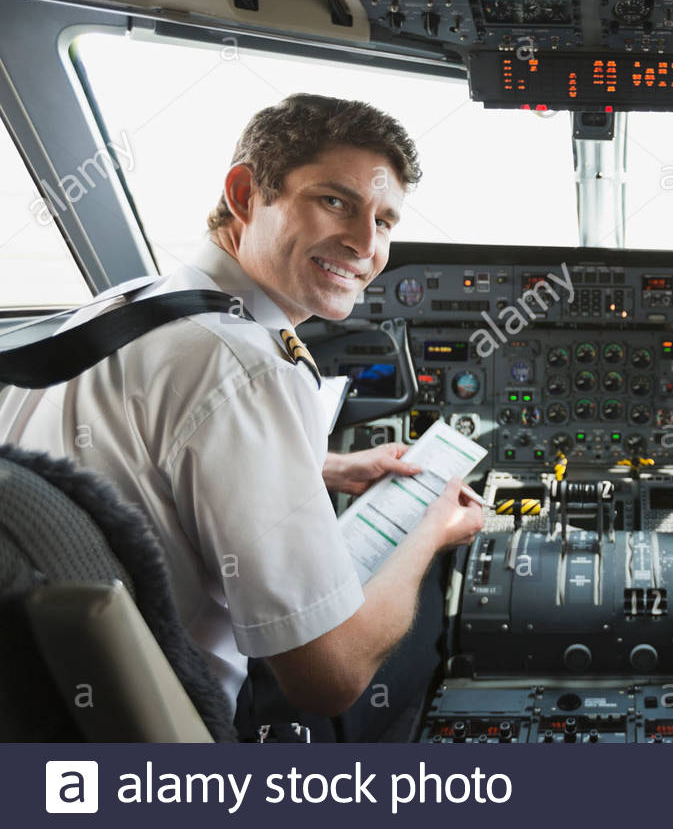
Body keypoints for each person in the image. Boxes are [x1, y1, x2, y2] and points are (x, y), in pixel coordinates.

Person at [0, 94, 484, 740]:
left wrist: (328, 466)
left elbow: (146, 465)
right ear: (244, 193)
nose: (366, 244)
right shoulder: (249, 369)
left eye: (386, 221)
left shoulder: (120, 310)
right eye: (335, 201)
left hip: (45, 716)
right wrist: (431, 531)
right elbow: (327, 676)